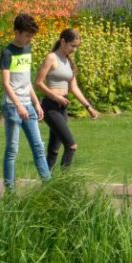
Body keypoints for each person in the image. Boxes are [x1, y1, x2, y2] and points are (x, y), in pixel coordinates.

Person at [0, 12, 51, 190]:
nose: (29, 39)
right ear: (17, 32)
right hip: (12, 107)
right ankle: (10, 192)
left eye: (31, 36)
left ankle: (49, 186)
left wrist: (35, 103)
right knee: (12, 150)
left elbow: (26, 81)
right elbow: (6, 83)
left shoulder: (27, 49)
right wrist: (19, 105)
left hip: (27, 104)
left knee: (38, 147)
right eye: (27, 35)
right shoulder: (7, 52)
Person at [35, 27, 99, 170]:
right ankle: (64, 182)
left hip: (63, 107)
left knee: (54, 150)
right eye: (72, 46)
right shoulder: (52, 58)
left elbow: (74, 88)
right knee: (71, 146)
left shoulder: (68, 61)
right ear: (63, 42)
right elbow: (38, 83)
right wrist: (55, 97)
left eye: (77, 46)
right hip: (51, 107)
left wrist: (88, 107)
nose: (74, 49)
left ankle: (46, 183)